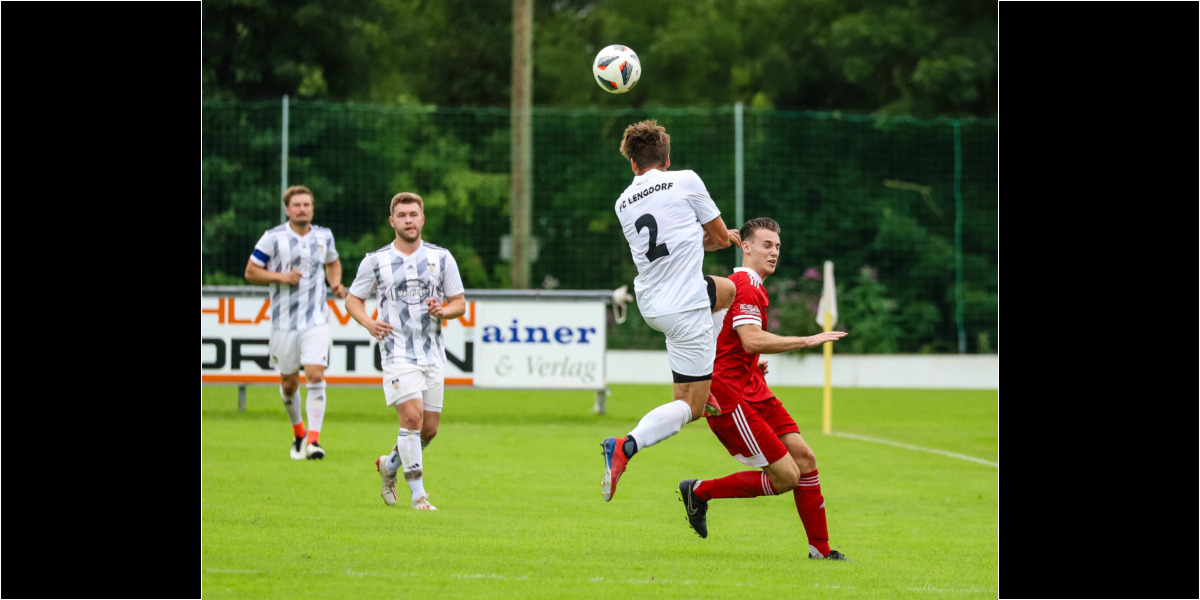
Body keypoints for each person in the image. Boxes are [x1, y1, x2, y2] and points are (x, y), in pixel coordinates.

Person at [676, 217, 852, 561]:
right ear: (746, 247)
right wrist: (805, 339)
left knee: (805, 459)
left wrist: (749, 361)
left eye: (777, 247)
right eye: (766, 245)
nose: (774, 252)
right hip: (731, 397)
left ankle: (821, 550)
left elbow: (720, 334)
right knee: (787, 477)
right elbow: (751, 339)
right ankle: (700, 491)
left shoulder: (746, 284)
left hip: (752, 386)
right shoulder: (744, 284)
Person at [601, 119, 741, 502]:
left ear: (633, 164)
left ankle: (710, 373)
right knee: (690, 407)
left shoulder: (622, 202)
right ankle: (625, 446)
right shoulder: (687, 180)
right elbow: (716, 238)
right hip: (686, 304)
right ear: (667, 158)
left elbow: (671, 237)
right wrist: (719, 238)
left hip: (653, 305)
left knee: (728, 290)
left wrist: (699, 238)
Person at [345, 192, 465, 511]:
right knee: (411, 418)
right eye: (402, 215)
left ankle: (389, 465)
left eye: (414, 214)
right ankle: (419, 496)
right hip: (397, 353)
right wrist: (369, 323)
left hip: (432, 355)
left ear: (422, 219)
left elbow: (460, 303)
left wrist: (444, 310)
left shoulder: (442, 258)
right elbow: (352, 300)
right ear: (392, 221)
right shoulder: (376, 260)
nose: (409, 220)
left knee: (429, 429)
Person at [244, 185, 347, 460]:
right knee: (289, 384)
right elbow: (251, 271)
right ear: (288, 209)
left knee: (315, 375)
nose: (302, 209)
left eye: (307, 204)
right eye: (297, 205)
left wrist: (335, 284)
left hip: (316, 319)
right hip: (283, 323)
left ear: (312, 208)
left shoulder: (324, 236)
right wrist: (280, 277)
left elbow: (333, 262)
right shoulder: (272, 238)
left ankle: (314, 441)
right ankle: (299, 432)